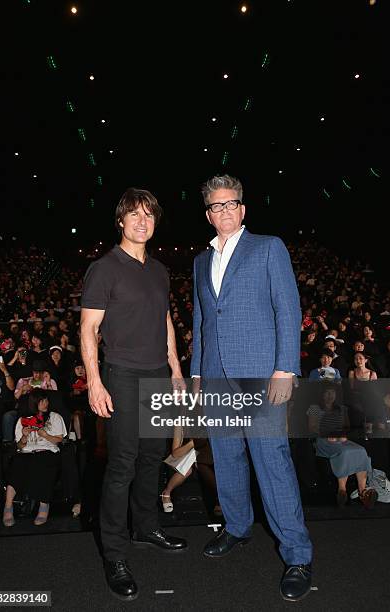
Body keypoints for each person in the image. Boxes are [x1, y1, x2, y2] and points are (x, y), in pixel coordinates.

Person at [191, 174, 312, 602]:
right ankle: (237, 527)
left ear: (242, 209)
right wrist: (198, 374)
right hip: (216, 376)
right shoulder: (200, 261)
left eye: (230, 204)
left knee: (272, 463)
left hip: (262, 376)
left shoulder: (268, 247)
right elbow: (203, 321)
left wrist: (285, 368)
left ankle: (297, 554)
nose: (223, 211)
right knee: (226, 459)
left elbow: (288, 307)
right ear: (208, 214)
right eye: (215, 206)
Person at [80, 187, 187, 602]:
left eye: (149, 215)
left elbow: (165, 323)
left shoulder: (160, 270)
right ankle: (115, 554)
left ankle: (147, 527)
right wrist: (94, 380)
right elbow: (88, 329)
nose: (142, 222)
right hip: (122, 375)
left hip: (158, 375)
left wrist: (176, 370)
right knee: (122, 465)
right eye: (134, 215)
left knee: (149, 458)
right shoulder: (104, 268)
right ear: (121, 221)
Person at [3, 389, 66, 527]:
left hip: (47, 450)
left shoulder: (55, 417)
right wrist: (24, 436)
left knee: (44, 462)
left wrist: (45, 435)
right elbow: (19, 445)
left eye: (46, 400)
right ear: (34, 403)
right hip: (27, 451)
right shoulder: (23, 420)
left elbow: (59, 440)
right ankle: (8, 507)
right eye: (42, 401)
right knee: (17, 464)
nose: (45, 403)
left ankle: (44, 505)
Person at [308, 385, 378, 508]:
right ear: (322, 395)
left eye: (332, 393)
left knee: (361, 450)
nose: (330, 396)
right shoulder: (315, 408)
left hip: (341, 439)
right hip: (324, 440)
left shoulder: (341, 408)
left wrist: (342, 434)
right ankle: (342, 490)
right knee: (345, 452)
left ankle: (363, 491)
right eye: (327, 393)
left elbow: (346, 426)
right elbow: (312, 428)